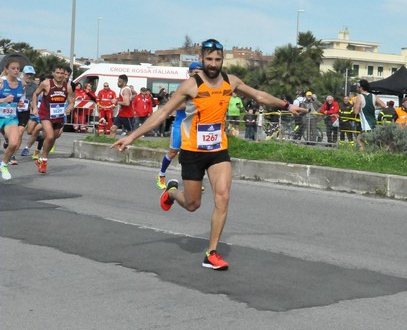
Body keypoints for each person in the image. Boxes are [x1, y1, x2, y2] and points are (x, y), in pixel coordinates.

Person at [112, 39, 305, 270]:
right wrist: (132, 136)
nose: (214, 64)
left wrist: (287, 106)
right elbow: (163, 113)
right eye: (209, 59)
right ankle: (172, 193)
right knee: (193, 204)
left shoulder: (230, 81)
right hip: (193, 152)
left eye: (218, 59)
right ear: (202, 59)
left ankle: (211, 252)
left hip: (217, 151)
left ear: (222, 60)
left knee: (222, 197)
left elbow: (259, 96)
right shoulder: (191, 86)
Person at [156, 62, 203, 190]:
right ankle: (161, 175)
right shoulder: (183, 87)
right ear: (189, 73)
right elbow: (176, 105)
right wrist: (194, 105)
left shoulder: (204, 88)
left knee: (193, 154)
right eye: (195, 72)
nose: (198, 75)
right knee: (172, 152)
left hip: (194, 127)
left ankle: (194, 181)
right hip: (180, 125)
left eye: (200, 72)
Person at [31, 64, 74, 174]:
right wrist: (35, 107)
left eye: (62, 73)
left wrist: (69, 108)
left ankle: (42, 158)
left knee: (53, 138)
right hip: (46, 114)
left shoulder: (67, 87)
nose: (60, 75)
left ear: (65, 74)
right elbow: (35, 94)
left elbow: (71, 102)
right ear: (53, 73)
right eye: (57, 73)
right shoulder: (46, 84)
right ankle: (44, 162)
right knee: (49, 136)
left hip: (58, 116)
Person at [0, 60, 25, 180]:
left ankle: (4, 165)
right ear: (7, 69)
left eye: (18, 68)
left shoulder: (21, 84)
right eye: (13, 68)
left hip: (10, 117)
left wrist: (19, 103)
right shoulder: (1, 82)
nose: (16, 71)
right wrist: (3, 100)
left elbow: (20, 99)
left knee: (14, 143)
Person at [14, 65, 38, 162]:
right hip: (13, 110)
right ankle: (8, 142)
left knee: (19, 133)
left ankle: (13, 155)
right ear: (23, 73)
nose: (29, 76)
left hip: (25, 111)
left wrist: (34, 106)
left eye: (31, 74)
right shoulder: (16, 82)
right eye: (27, 74)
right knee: (11, 134)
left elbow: (35, 97)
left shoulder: (34, 86)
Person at [353, 79, 385, 149]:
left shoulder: (359, 97)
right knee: (366, 140)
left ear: (361, 87)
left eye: (358, 87)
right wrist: (375, 108)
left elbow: (356, 112)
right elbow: (383, 105)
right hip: (373, 123)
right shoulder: (374, 96)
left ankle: (364, 155)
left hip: (366, 124)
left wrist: (354, 104)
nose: (357, 88)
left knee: (360, 140)